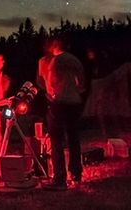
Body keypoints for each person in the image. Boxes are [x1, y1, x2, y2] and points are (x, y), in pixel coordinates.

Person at [44, 36, 86, 190]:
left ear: (54, 45)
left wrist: (52, 95)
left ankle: (59, 179)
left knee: (56, 140)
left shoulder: (56, 61)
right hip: (74, 103)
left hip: (60, 103)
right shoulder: (75, 61)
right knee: (74, 138)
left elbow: (51, 83)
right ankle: (76, 174)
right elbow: (81, 84)